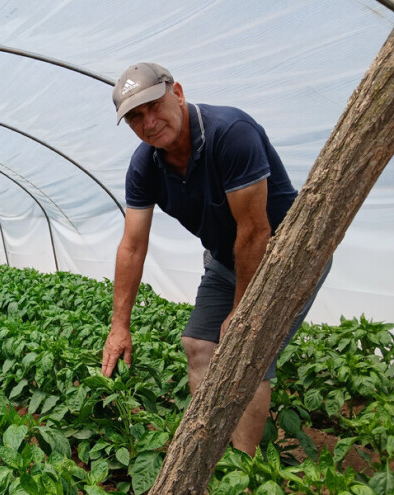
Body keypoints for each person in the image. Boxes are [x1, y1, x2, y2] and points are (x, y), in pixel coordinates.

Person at [101, 62, 330, 454]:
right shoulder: (145, 165)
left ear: (177, 93)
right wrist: (119, 325)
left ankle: (241, 469)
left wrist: (241, 314)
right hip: (226, 257)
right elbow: (132, 246)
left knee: (245, 355)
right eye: (136, 117)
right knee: (198, 343)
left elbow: (256, 231)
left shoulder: (230, 134)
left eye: (154, 105)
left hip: (287, 254)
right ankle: (210, 455)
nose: (149, 122)